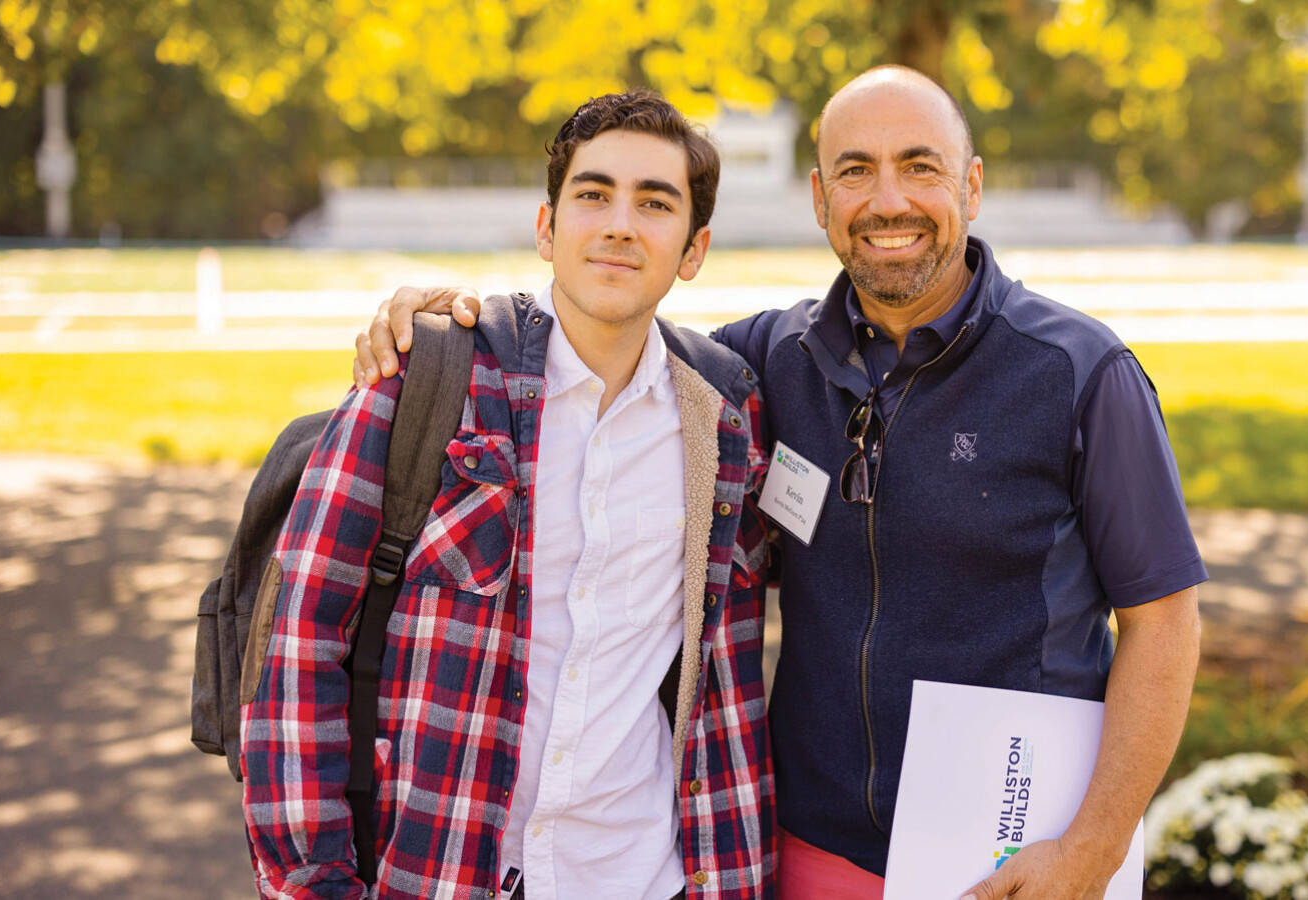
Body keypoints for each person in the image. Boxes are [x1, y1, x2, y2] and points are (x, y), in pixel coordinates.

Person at [358, 66, 1204, 900]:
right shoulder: (760, 366)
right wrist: (454, 323)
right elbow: (610, 325)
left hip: (1014, 856)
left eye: (920, 166)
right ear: (819, 198)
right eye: (854, 171)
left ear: (972, 186)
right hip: (808, 850)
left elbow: (1164, 621)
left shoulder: (1080, 372)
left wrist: (1092, 850)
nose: (888, 200)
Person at [243, 90, 774, 900]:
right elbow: (298, 636)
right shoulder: (428, 379)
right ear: (546, 228)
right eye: (593, 194)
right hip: (445, 869)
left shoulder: (725, 422)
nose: (620, 224)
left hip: (647, 876)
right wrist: (311, 882)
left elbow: (725, 689)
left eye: (655, 203)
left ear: (694, 249)